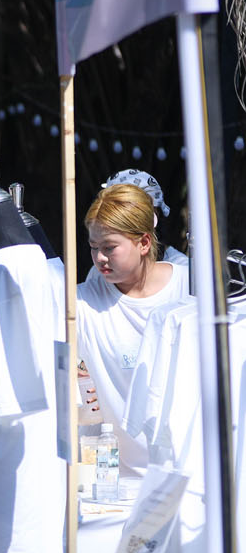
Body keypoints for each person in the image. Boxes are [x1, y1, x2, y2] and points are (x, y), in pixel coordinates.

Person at [77, 182, 191, 478]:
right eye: (93, 247)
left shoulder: (191, 287)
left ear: (144, 243)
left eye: (109, 247)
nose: (99, 258)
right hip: (118, 482)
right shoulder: (82, 303)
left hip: (189, 475)